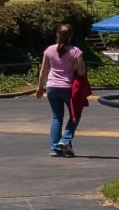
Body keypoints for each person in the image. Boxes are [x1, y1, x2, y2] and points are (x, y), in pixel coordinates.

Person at [36, 24, 87, 157]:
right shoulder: (76, 51)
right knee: (75, 115)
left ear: (57, 35)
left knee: (56, 117)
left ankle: (55, 148)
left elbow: (43, 71)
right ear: (70, 37)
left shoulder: (49, 50)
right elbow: (81, 72)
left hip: (51, 87)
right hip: (68, 88)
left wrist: (40, 87)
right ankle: (65, 140)